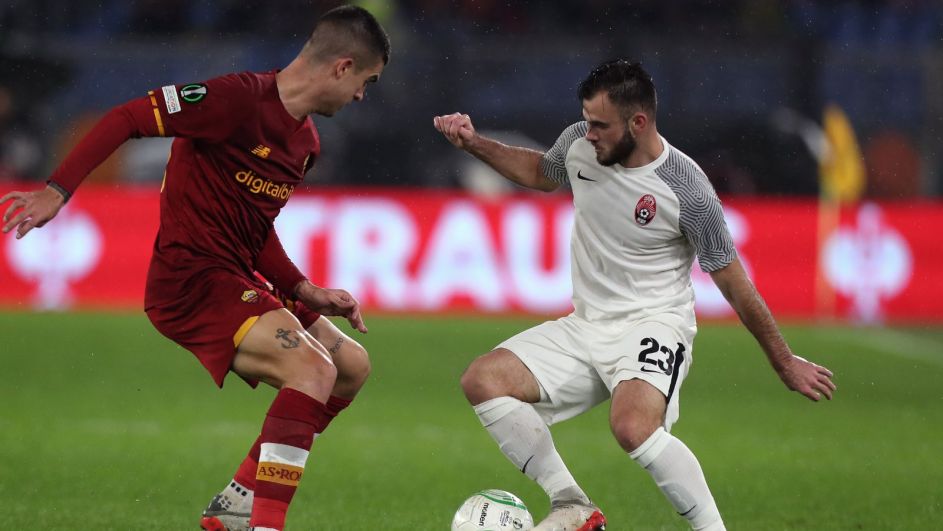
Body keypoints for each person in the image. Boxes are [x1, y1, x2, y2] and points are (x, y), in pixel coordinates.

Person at [1, 6, 390, 531]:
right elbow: (126, 118)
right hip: (191, 280)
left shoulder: (304, 146)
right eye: (367, 81)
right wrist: (57, 190)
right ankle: (265, 525)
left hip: (239, 275)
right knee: (313, 370)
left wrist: (303, 288)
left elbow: (255, 229)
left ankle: (237, 503)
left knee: (351, 367)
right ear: (342, 67)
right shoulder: (233, 99)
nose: (363, 95)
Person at [433, 60, 836, 531]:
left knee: (632, 427)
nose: (589, 133)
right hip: (586, 324)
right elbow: (542, 172)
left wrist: (783, 360)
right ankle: (571, 504)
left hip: (654, 324)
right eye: (587, 120)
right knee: (483, 379)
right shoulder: (580, 145)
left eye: (601, 125)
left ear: (638, 122)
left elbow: (732, 280)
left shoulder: (687, 189)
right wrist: (474, 143)